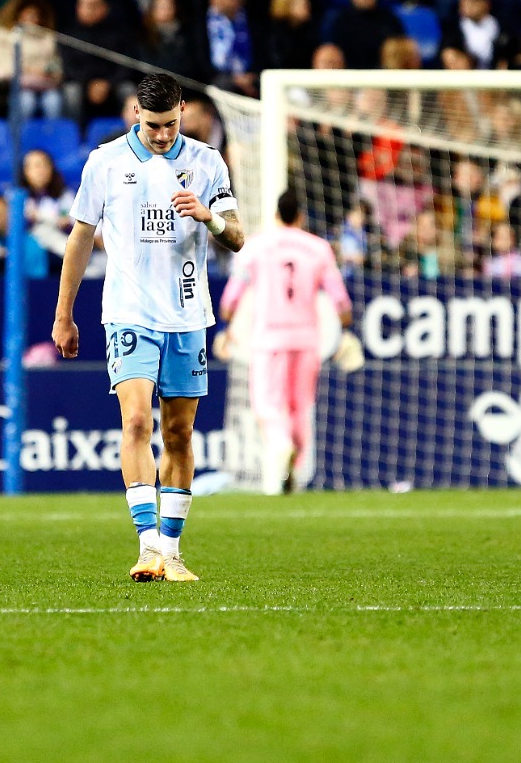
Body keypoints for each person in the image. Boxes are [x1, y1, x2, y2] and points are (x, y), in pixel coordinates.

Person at [52, 73, 245, 583]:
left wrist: (208, 218)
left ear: (183, 112)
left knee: (178, 433)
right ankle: (148, 547)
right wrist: (64, 314)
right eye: (153, 125)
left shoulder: (207, 161)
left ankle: (173, 554)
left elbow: (237, 237)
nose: (161, 135)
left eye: (170, 125)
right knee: (137, 422)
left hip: (187, 315)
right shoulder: (106, 161)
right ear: (136, 112)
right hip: (128, 312)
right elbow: (81, 237)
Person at [217, 190, 352, 495]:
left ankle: (281, 445)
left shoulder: (256, 246)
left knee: (266, 403)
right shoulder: (318, 248)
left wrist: (226, 326)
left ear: (276, 215)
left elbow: (232, 296)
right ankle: (296, 469)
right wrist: (346, 331)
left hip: (269, 338)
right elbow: (340, 298)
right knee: (300, 406)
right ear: (301, 217)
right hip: (306, 338)